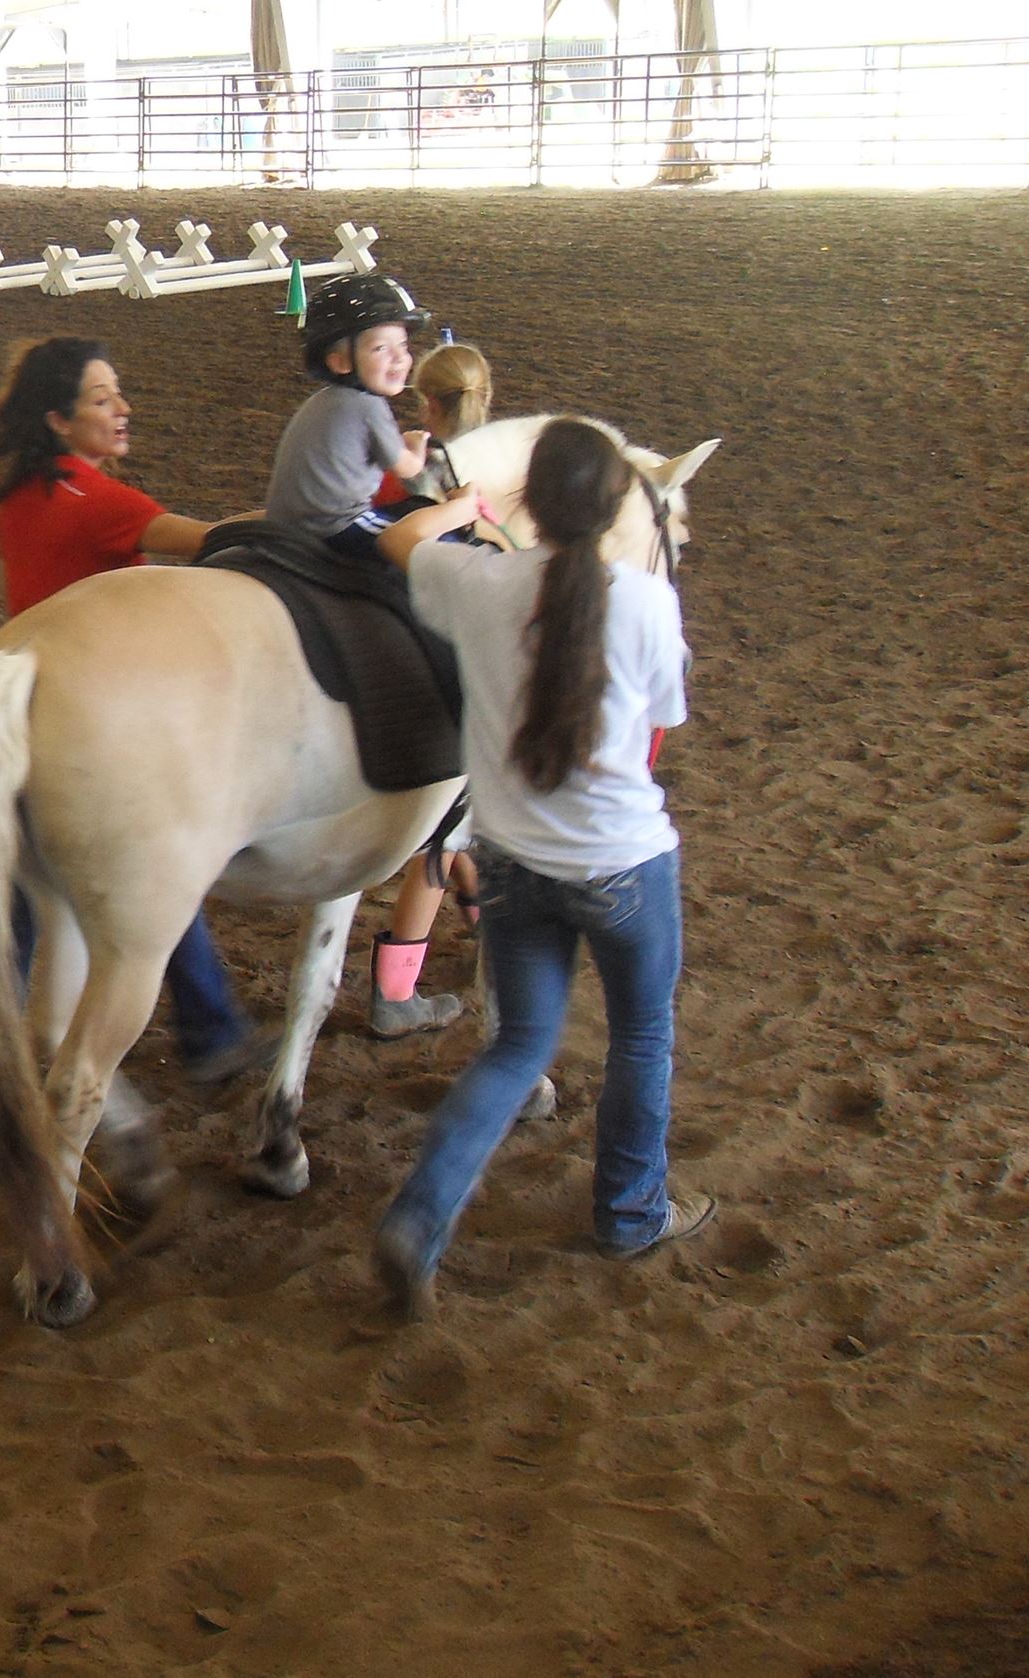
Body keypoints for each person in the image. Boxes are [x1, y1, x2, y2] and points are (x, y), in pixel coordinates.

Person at [371, 419, 711, 1320]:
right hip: (626, 862)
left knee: (519, 1047)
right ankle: (632, 1213)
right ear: (616, 508)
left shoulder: (474, 582)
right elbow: (665, 710)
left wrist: (460, 509)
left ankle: (420, 1214)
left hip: (515, 863)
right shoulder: (643, 603)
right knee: (643, 1039)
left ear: (531, 502)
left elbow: (401, 538)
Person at [0, 336, 258, 1082]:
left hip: (22, 692)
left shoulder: (23, 491)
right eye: (102, 399)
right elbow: (207, 542)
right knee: (159, 871)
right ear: (60, 420)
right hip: (88, 706)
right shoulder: (101, 502)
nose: (122, 409)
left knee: (24, 900)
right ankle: (211, 1029)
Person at [365, 338, 497, 1038]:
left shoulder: (413, 452)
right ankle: (394, 993)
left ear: (428, 402)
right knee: (446, 833)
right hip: (463, 641)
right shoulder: (500, 471)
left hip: (401, 627)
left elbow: (377, 511)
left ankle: (482, 918)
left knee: (456, 822)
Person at [266, 272, 435, 563]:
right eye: (381, 348)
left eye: (403, 346)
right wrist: (417, 447)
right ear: (340, 362)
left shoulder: (322, 401)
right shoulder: (368, 407)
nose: (400, 358)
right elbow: (407, 469)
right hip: (336, 527)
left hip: (285, 525)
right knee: (430, 548)